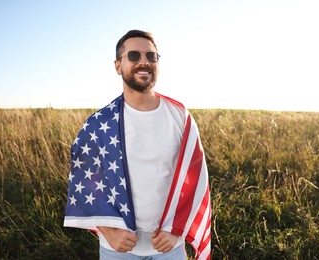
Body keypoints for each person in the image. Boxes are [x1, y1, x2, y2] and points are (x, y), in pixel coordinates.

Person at [64, 29, 211, 260]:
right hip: (118, 249)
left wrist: (177, 230)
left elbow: (195, 178)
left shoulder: (180, 116)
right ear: (117, 66)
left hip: (169, 247)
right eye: (134, 56)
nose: (144, 62)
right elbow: (85, 181)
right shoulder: (98, 123)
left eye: (151, 56)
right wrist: (109, 231)